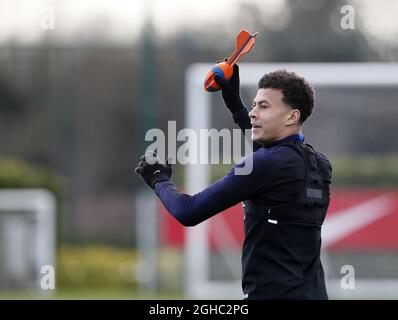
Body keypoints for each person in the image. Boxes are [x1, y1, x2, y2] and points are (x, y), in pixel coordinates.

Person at [135, 64, 332, 300]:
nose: (253, 112)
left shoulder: (266, 165)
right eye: (254, 105)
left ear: (292, 116)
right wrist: (234, 102)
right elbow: (271, 155)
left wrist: (159, 179)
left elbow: (188, 211)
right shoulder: (319, 163)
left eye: (264, 106)